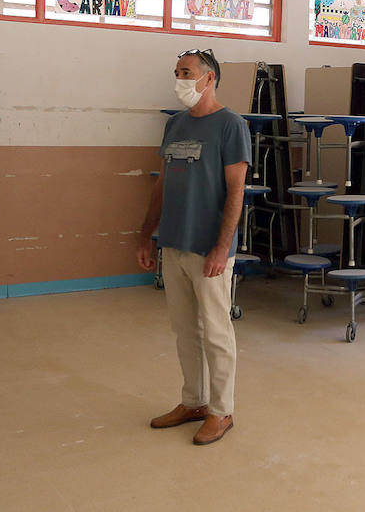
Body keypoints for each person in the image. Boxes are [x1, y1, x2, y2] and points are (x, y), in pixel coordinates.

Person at [136, 48, 249, 446]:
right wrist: (147, 233)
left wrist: (222, 248)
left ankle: (222, 411)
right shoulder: (176, 125)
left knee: (216, 332)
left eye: (186, 72)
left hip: (209, 250)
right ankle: (193, 401)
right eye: (177, 72)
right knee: (185, 330)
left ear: (209, 78)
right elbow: (163, 184)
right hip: (174, 243)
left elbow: (236, 190)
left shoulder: (231, 125)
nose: (180, 79)